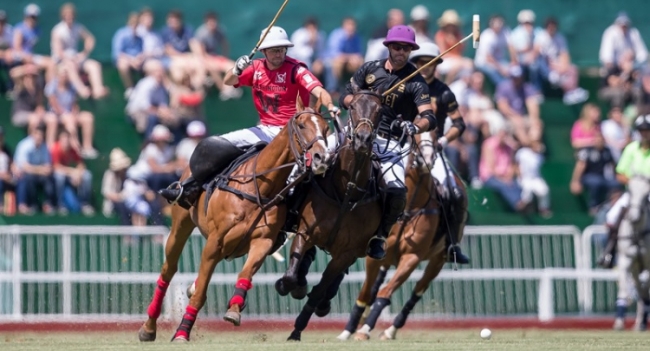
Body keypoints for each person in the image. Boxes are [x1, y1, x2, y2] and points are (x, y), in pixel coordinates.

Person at [159, 26, 338, 208]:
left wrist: (330, 105)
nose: (279, 54)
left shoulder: (296, 70)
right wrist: (236, 69)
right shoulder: (256, 68)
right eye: (274, 50)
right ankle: (189, 187)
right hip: (264, 130)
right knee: (215, 145)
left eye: (282, 50)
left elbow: (319, 91)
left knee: (311, 170)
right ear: (263, 51)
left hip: (293, 134)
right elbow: (228, 80)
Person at [338, 25, 437, 260]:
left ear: (411, 50)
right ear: (389, 47)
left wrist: (415, 126)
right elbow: (344, 96)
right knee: (318, 161)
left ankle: (380, 236)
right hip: (354, 133)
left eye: (406, 48)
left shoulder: (416, 80)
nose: (401, 51)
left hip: (389, 141)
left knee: (397, 190)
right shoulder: (370, 69)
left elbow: (429, 116)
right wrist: (364, 99)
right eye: (396, 46)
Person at [409, 42, 469, 264]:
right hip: (403, 147)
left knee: (454, 193)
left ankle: (452, 244)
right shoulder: (405, 86)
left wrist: (443, 141)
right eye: (420, 62)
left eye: (429, 63)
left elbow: (459, 124)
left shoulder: (444, 92)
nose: (424, 67)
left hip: (431, 150)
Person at [598, 114, 650, 269]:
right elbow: (620, 173)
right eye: (642, 130)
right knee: (612, 215)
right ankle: (609, 252)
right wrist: (635, 183)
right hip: (634, 192)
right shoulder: (631, 148)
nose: (645, 133)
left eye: (647, 130)